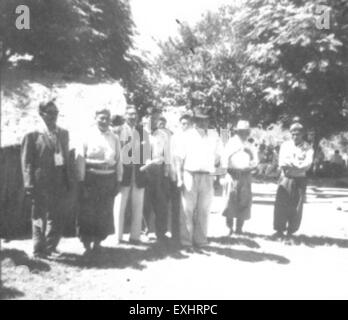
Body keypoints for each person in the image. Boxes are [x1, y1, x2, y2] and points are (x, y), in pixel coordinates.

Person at [21, 100, 73, 259]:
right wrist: (28, 183)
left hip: (59, 181)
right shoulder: (32, 134)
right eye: (50, 113)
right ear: (41, 114)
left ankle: (51, 246)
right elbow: (26, 161)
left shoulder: (63, 133)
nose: (53, 117)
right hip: (40, 182)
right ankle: (38, 248)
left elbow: (65, 157)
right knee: (38, 216)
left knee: (56, 215)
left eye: (56, 113)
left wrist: (67, 179)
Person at [75, 108, 122, 254]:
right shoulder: (86, 135)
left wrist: (118, 180)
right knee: (88, 213)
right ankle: (86, 245)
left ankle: (98, 242)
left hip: (108, 179)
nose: (104, 121)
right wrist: (81, 181)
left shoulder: (114, 138)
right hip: (91, 179)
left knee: (104, 212)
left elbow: (119, 160)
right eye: (101, 118)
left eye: (107, 118)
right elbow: (80, 159)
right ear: (95, 118)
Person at [176, 108, 222, 250]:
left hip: (207, 176)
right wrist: (179, 178)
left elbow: (219, 158)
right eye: (200, 120)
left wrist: (218, 178)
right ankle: (186, 242)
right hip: (190, 174)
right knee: (187, 209)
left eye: (205, 119)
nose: (203, 122)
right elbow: (178, 158)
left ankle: (201, 240)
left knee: (204, 209)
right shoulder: (187, 135)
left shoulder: (214, 136)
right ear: (194, 121)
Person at [114, 105, 150, 245]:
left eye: (135, 114)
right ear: (125, 115)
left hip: (139, 173)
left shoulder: (142, 131)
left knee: (138, 205)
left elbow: (146, 152)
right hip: (124, 172)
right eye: (130, 114)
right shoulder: (118, 131)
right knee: (120, 205)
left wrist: (146, 164)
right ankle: (117, 237)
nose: (133, 117)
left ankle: (135, 236)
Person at [273, 122, 314, 238]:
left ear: (302, 134)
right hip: (286, 178)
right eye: (293, 134)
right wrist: (298, 165)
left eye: (298, 134)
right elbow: (283, 162)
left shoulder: (308, 147)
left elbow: (307, 164)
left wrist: (294, 165)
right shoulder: (285, 146)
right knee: (281, 204)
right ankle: (279, 230)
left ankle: (291, 231)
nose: (295, 136)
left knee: (297, 205)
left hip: (300, 180)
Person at [221, 120, 257, 235]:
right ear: (237, 132)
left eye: (246, 132)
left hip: (246, 175)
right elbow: (224, 159)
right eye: (241, 132)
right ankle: (229, 227)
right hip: (233, 174)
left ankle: (239, 228)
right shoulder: (231, 143)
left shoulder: (250, 144)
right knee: (230, 199)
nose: (243, 134)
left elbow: (255, 160)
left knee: (244, 200)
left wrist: (251, 166)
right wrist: (224, 174)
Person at [143, 112, 170, 243]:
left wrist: (166, 172)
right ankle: (148, 230)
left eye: (155, 118)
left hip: (158, 170)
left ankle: (161, 231)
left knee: (160, 202)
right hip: (143, 170)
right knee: (146, 202)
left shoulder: (163, 135)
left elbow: (167, 154)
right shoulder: (139, 133)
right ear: (145, 119)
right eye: (151, 118)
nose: (153, 121)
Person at [167, 114, 193, 243]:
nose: (185, 126)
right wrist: (174, 175)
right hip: (176, 173)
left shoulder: (194, 138)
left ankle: (188, 234)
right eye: (183, 123)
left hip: (189, 174)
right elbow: (172, 155)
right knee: (176, 205)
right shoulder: (175, 137)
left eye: (187, 123)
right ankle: (175, 234)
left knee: (187, 206)